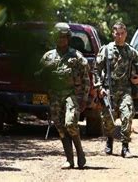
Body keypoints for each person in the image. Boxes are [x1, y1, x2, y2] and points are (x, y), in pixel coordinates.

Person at [38, 22, 90, 169]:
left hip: (70, 94)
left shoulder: (76, 57)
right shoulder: (48, 57)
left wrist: (84, 98)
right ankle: (69, 159)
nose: (61, 40)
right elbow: (38, 77)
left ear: (68, 38)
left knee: (70, 124)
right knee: (60, 128)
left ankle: (80, 154)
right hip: (54, 96)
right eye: (58, 37)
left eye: (64, 37)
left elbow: (86, 79)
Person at [94, 22, 138, 158]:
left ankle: (125, 147)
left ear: (126, 34)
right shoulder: (105, 50)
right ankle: (109, 141)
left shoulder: (131, 51)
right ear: (113, 34)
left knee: (127, 116)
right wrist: (99, 88)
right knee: (108, 120)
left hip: (125, 90)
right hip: (109, 90)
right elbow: (96, 70)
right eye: (117, 34)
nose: (120, 36)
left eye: (122, 34)